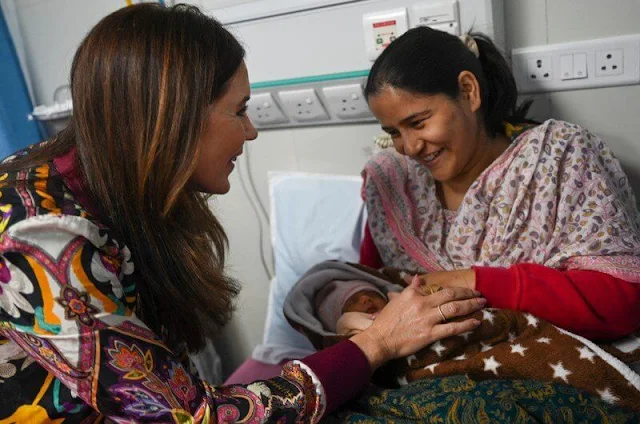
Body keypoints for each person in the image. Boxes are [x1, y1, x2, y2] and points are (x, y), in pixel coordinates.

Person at [0, 5, 486, 423]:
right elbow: (188, 415)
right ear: (175, 119)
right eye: (240, 110)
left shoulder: (98, 176)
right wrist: (375, 343)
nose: (251, 132)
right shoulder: (41, 237)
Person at [359, 27, 640, 341]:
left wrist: (473, 282)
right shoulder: (394, 182)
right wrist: (350, 309)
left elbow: (624, 301)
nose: (409, 147)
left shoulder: (558, 158)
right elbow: (367, 283)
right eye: (395, 132)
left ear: (468, 91)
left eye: (418, 122)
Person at [315, 279, 389, 336]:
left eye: (372, 294)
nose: (365, 298)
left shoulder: (396, 301)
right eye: (353, 301)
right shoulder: (352, 339)